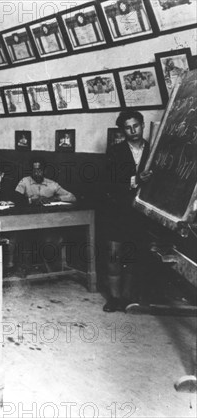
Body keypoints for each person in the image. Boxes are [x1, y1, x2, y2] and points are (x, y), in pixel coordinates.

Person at [102, 110, 152, 312]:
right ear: (123, 130)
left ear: (143, 125)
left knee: (132, 257)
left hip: (141, 215)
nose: (133, 131)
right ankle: (113, 298)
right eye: (128, 128)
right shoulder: (115, 152)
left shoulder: (154, 150)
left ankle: (127, 298)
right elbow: (108, 183)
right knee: (114, 257)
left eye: (136, 126)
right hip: (117, 212)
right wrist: (136, 180)